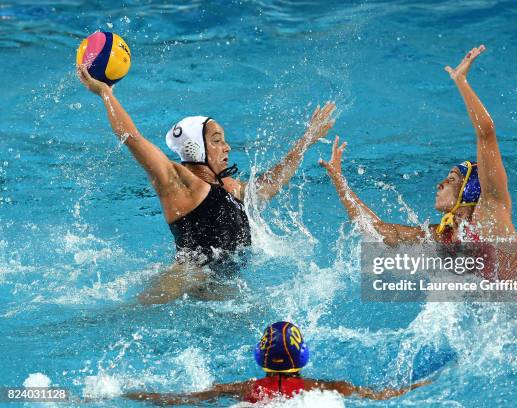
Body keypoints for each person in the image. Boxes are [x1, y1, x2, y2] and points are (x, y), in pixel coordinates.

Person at [76, 65, 335, 302]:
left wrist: (305, 142)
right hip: (183, 282)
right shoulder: (182, 186)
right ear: (196, 147)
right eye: (217, 140)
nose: (227, 147)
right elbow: (132, 138)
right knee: (130, 317)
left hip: (218, 286)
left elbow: (269, 185)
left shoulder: (227, 187)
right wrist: (105, 94)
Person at [319, 45, 517, 284]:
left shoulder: (491, 212)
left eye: (451, 179)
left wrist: (461, 80)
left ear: (470, 190)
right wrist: (339, 181)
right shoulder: (443, 236)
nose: (440, 184)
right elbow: (377, 230)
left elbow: (487, 135)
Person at [125, 321, 429, 404]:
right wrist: (424, 384)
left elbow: (176, 400)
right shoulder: (328, 388)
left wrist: (127, 392)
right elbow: (382, 395)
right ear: (303, 356)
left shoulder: (243, 388)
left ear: (261, 357)